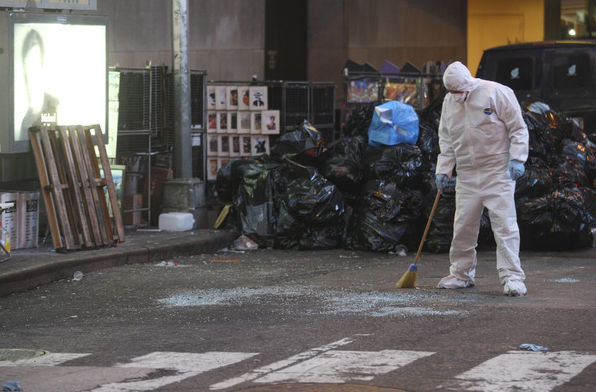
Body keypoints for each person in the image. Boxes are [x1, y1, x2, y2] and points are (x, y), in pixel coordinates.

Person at [435, 61, 529, 296]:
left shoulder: (496, 93)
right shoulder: (449, 102)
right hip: (467, 175)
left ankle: (512, 277)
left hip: (498, 172)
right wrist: (443, 169)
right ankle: (460, 274)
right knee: (463, 226)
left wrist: (517, 158)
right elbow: (446, 138)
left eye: (459, 91)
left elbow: (518, 128)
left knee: (505, 226)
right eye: (452, 92)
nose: (456, 97)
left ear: (468, 83)